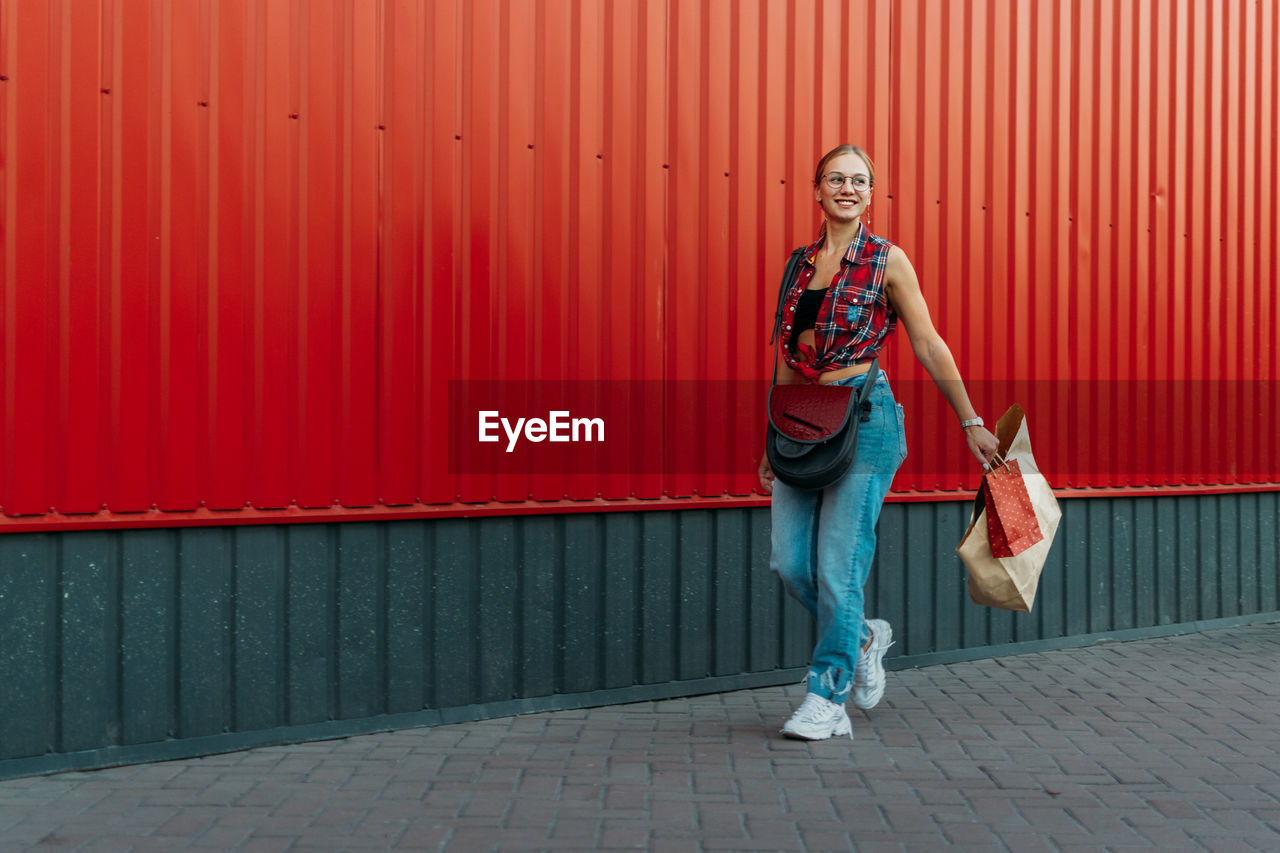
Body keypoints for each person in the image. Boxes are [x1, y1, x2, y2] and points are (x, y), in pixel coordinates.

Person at [758, 144, 1000, 740]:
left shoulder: (887, 261)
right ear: (816, 190)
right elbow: (789, 359)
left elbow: (928, 343)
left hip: (866, 421)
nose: (847, 188)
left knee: (840, 568)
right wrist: (772, 438)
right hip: (803, 425)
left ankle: (827, 696)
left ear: (871, 195)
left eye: (859, 181)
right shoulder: (798, 263)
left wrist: (970, 421)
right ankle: (864, 636)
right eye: (835, 179)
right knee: (790, 563)